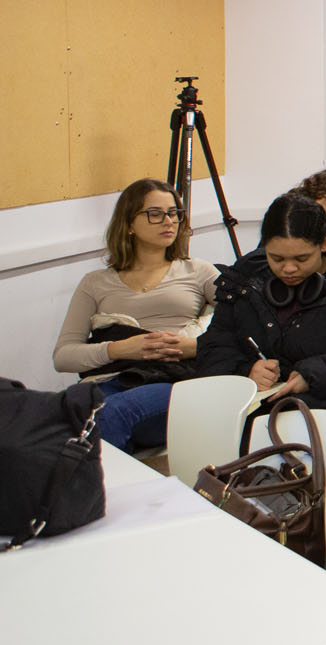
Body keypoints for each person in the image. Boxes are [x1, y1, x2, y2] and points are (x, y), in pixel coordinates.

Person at [196, 194, 326, 458]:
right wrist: (245, 369)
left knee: (277, 448)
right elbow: (215, 344)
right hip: (255, 402)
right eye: (276, 258)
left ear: (324, 244)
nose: (288, 269)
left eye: (301, 258)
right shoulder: (246, 278)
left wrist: (313, 375)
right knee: (208, 441)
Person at [51, 179, 219, 451]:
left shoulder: (198, 272)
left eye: (174, 213)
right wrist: (120, 349)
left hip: (172, 380)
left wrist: (194, 346)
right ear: (128, 223)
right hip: (111, 379)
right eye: (155, 214)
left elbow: (242, 325)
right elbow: (63, 356)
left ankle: (96, 490)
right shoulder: (95, 282)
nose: (169, 221)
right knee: (67, 414)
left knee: (110, 414)